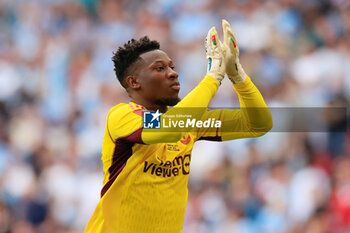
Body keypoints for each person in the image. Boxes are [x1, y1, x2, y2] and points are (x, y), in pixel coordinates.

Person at [84, 20, 273, 233]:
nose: (173, 73)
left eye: (172, 67)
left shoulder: (187, 122)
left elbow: (258, 124)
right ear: (134, 82)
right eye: (159, 68)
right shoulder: (122, 116)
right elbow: (169, 128)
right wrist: (212, 78)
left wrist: (237, 76)